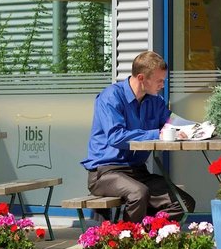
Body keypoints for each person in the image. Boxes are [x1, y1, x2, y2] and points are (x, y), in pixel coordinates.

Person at [81, 51, 196, 222]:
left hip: (138, 172)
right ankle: (128, 236)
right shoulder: (111, 97)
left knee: (184, 203)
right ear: (141, 78)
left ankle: (146, 233)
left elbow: (172, 123)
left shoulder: (155, 101)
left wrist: (197, 128)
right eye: (159, 80)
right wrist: (157, 134)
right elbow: (116, 137)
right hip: (105, 172)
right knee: (138, 193)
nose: (162, 85)